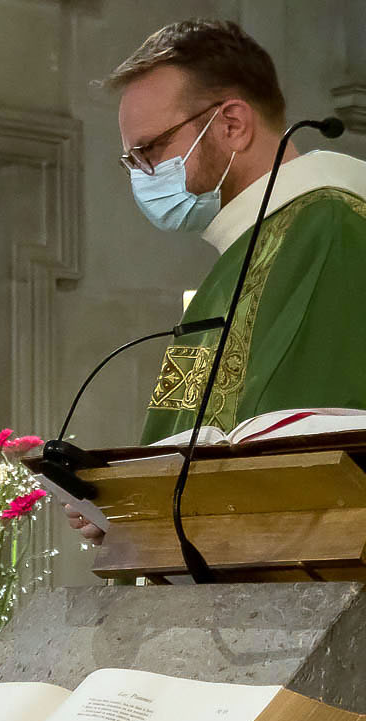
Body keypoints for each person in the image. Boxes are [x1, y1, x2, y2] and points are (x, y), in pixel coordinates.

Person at [68, 19, 366, 542]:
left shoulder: (327, 229)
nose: (141, 174)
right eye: (131, 159)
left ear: (232, 124)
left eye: (151, 150)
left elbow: (308, 451)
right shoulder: (249, 249)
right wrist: (128, 510)